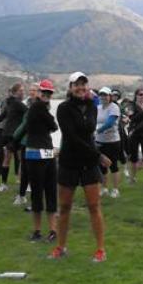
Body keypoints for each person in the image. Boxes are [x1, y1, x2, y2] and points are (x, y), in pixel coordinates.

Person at [50, 72, 111, 262]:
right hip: (69, 161)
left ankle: (100, 250)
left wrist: (94, 157)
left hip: (88, 164)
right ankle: (60, 247)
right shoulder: (63, 108)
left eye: (83, 85)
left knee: (94, 206)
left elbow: (89, 134)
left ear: (87, 88)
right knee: (65, 206)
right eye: (76, 85)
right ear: (70, 87)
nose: (80, 88)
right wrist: (98, 155)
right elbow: (72, 138)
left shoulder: (92, 107)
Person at [13, 79, 59, 243]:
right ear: (39, 93)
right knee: (47, 192)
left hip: (35, 152)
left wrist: (13, 140)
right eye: (44, 92)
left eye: (49, 93)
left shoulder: (33, 109)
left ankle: (40, 231)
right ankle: (49, 231)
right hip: (42, 152)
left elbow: (23, 129)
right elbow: (53, 126)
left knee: (40, 193)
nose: (46, 95)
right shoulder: (38, 108)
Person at [0, 83, 27, 195]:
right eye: (21, 90)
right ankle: (11, 184)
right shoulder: (16, 103)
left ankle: (10, 184)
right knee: (18, 160)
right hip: (13, 135)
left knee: (11, 159)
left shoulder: (11, 103)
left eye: (23, 90)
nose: (23, 92)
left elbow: (2, 116)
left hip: (12, 135)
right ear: (15, 92)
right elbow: (3, 116)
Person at [95, 87, 123, 199]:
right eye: (101, 95)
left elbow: (110, 123)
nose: (103, 97)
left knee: (113, 165)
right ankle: (104, 188)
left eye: (105, 95)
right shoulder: (98, 108)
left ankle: (115, 189)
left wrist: (97, 130)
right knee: (102, 166)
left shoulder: (114, 108)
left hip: (112, 141)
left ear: (110, 96)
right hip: (99, 141)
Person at [125, 89, 143, 182]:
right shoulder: (131, 105)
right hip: (134, 133)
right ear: (136, 95)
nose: (142, 96)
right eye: (140, 94)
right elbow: (132, 117)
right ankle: (132, 178)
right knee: (133, 157)